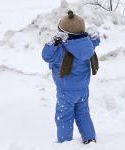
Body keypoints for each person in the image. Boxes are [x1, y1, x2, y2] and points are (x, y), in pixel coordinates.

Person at [42, 10, 100, 144]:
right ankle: (89, 138)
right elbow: (96, 41)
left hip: (65, 92)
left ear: (63, 34)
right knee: (83, 114)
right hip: (83, 89)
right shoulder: (87, 45)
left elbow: (46, 56)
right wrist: (94, 36)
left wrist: (53, 43)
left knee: (64, 117)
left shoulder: (60, 50)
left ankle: (65, 143)